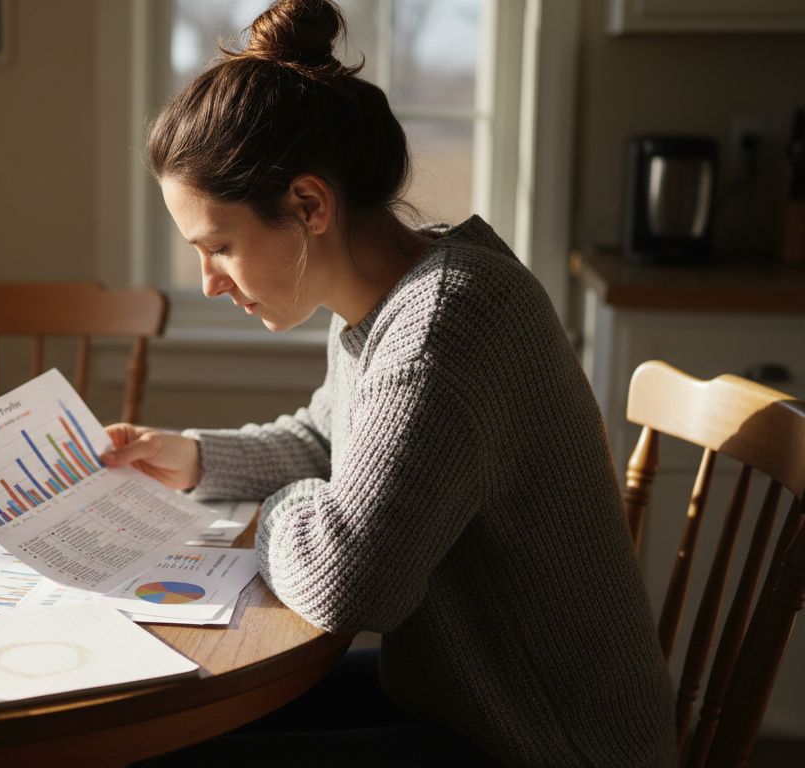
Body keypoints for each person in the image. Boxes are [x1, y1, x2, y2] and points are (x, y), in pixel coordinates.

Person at [100, 1, 675, 765]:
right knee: (160, 714)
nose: (208, 283)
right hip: (464, 694)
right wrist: (196, 457)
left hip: (545, 740)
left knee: (160, 746)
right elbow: (326, 441)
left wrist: (275, 510)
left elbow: (349, 582)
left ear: (308, 205)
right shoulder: (388, 303)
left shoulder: (448, 323)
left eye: (221, 247)